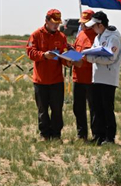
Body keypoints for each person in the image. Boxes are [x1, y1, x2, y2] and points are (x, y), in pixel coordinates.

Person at [26, 9, 68, 140]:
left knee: (57, 109)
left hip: (57, 80)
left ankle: (56, 135)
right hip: (40, 80)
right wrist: (43, 55)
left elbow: (64, 55)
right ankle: (44, 135)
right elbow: (30, 52)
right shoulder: (36, 35)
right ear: (46, 21)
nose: (56, 25)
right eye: (54, 22)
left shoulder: (61, 37)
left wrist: (69, 61)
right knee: (43, 110)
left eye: (58, 23)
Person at [85, 11, 121, 145]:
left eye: (94, 26)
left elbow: (111, 58)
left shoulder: (114, 37)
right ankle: (98, 136)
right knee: (97, 108)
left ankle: (109, 137)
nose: (92, 29)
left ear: (100, 25)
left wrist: (92, 58)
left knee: (107, 108)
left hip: (108, 78)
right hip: (97, 77)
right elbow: (93, 52)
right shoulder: (97, 37)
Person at [70, 9, 97, 140]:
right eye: (83, 23)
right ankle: (82, 135)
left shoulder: (98, 37)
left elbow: (97, 56)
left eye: (87, 23)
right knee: (78, 108)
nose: (84, 25)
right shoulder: (80, 35)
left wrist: (83, 61)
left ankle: (96, 135)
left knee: (94, 109)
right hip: (78, 77)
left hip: (91, 79)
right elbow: (75, 50)